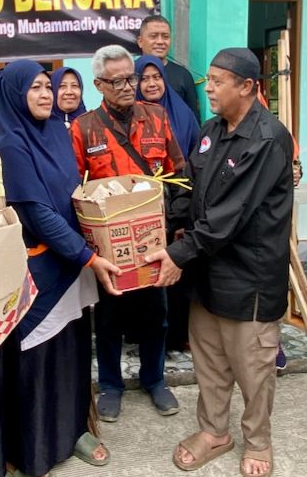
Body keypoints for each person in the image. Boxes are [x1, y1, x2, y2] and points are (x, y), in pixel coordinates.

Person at [145, 47, 294, 477]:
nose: (208, 87)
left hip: (249, 277)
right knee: (209, 363)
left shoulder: (267, 138)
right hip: (208, 272)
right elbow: (191, 187)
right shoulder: (212, 130)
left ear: (247, 86)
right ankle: (214, 432)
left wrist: (177, 253)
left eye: (217, 80)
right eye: (207, 79)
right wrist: (155, 219)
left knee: (253, 369)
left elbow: (231, 213)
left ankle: (258, 441)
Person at [0, 60, 120, 477]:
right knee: (37, 362)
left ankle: (74, 429)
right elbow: (39, 214)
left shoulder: (58, 135)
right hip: (39, 273)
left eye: (49, 86)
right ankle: (34, 447)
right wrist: (91, 258)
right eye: (36, 88)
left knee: (72, 354)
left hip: (73, 263)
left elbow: (73, 195)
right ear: (14, 94)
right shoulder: (12, 144)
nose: (46, 94)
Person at [71, 44, 185, 421]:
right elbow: (75, 188)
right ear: (99, 84)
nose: (126, 86)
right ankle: (110, 386)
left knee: (157, 315)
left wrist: (177, 228)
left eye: (130, 78)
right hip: (110, 249)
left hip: (152, 241)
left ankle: (155, 380)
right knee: (108, 320)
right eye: (116, 81)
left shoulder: (157, 117)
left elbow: (180, 174)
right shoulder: (84, 128)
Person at [134, 54, 201, 353]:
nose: (151, 84)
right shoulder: (127, 116)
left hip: (178, 206)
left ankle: (176, 337)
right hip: (141, 210)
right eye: (144, 78)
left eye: (156, 77)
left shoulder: (183, 114)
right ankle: (141, 337)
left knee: (175, 277)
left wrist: (182, 213)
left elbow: (193, 163)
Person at [137, 15, 200, 117]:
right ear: (140, 41)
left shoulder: (183, 75)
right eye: (153, 36)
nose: (160, 42)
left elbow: (193, 118)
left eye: (165, 37)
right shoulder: (130, 73)